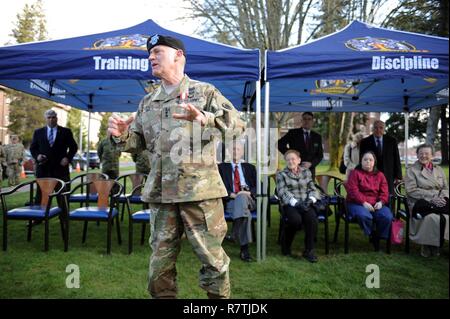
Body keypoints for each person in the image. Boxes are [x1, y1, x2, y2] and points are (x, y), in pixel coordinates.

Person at [108, 34, 244, 299]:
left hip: (199, 194)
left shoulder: (204, 92)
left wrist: (205, 118)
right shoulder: (148, 102)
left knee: (213, 262)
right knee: (159, 267)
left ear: (178, 56)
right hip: (161, 195)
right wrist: (121, 135)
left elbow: (238, 126)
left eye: (157, 52)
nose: (150, 57)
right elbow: (136, 142)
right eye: (150, 54)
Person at [276, 150, 321, 263]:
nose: (291, 161)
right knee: (295, 221)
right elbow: (282, 192)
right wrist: (295, 203)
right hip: (290, 204)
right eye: (288, 159)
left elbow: (313, 188)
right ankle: (286, 244)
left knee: (312, 219)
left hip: (306, 202)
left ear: (299, 160)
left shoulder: (306, 172)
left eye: (293, 159)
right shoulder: (281, 174)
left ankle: (309, 250)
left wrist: (310, 200)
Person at [404, 144, 449, 257]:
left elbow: (445, 187)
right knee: (432, 218)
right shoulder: (412, 170)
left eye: (427, 154)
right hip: (419, 202)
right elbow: (411, 191)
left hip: (439, 201)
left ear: (432, 155)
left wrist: (442, 198)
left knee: (445, 217)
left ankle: (438, 243)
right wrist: (432, 198)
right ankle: (427, 245)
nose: (423, 156)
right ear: (417, 155)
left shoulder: (439, 170)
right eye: (421, 153)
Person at [345, 151, 393, 251]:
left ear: (374, 162)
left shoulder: (380, 175)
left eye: (370, 160)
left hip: (376, 203)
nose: (368, 162)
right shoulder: (355, 173)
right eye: (365, 160)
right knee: (364, 216)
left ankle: (378, 237)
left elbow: (385, 192)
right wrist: (363, 202)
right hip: (356, 202)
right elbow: (353, 191)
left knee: (387, 216)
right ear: (361, 162)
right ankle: (372, 233)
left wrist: (381, 202)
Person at [218, 141, 256, 262]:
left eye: (238, 149)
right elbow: (219, 186)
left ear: (242, 152)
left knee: (242, 200)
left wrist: (248, 193)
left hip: (249, 200)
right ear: (229, 151)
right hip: (231, 201)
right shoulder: (222, 168)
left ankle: (234, 234)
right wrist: (233, 194)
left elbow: (257, 186)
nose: (235, 151)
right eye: (233, 149)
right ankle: (244, 250)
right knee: (244, 213)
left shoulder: (250, 168)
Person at [30, 109, 78, 201]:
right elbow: (33, 148)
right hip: (44, 170)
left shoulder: (66, 132)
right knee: (41, 199)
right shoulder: (38, 132)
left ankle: (64, 215)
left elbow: (74, 147)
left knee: (63, 198)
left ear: (57, 118)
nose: (51, 120)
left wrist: (67, 158)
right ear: (45, 119)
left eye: (53, 117)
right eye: (49, 118)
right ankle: (42, 215)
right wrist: (37, 156)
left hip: (61, 170)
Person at [359, 120, 402, 195]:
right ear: (372, 129)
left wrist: (398, 176)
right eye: (376, 128)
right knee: (372, 197)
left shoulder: (392, 141)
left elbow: (396, 159)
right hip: (371, 175)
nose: (378, 130)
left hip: (388, 175)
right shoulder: (364, 142)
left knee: (389, 197)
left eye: (381, 128)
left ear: (384, 129)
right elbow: (361, 160)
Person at [278, 112, 323, 179]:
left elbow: (319, 155)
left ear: (312, 121)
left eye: (309, 119)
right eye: (304, 119)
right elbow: (280, 144)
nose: (306, 121)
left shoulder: (317, 137)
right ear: (301, 121)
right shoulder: (293, 133)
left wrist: (311, 164)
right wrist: (290, 154)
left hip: (310, 171)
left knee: (309, 189)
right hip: (294, 168)